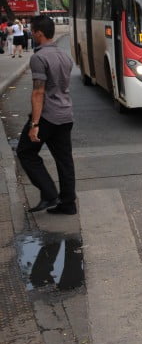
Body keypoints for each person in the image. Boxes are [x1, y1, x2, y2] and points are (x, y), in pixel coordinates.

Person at [16, 16, 77, 215]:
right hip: (65, 114)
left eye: (32, 31)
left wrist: (34, 123)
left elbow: (38, 92)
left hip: (47, 116)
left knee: (26, 152)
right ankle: (68, 204)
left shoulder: (39, 58)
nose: (31, 34)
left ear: (39, 33)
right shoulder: (64, 56)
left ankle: (50, 193)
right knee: (65, 161)